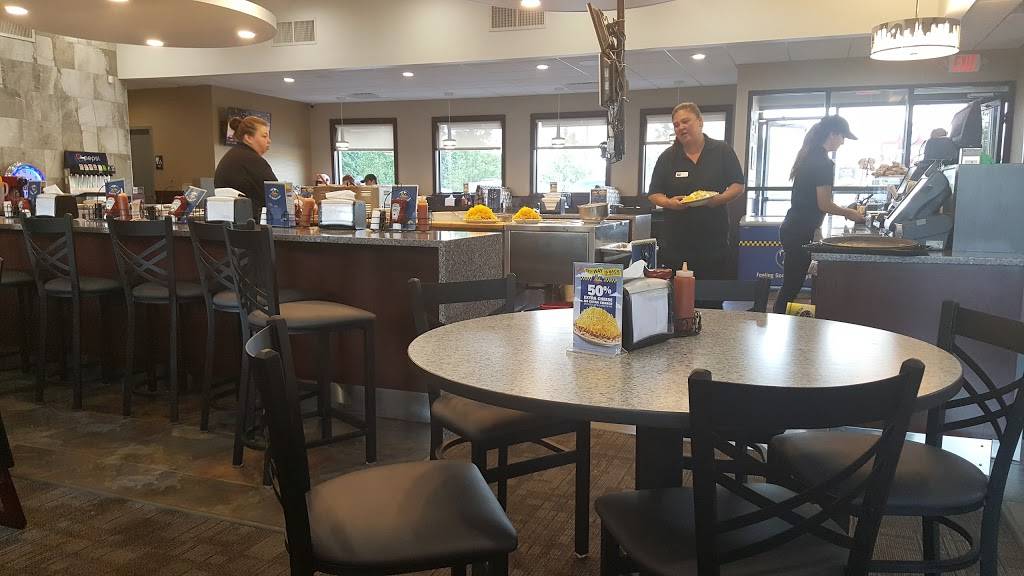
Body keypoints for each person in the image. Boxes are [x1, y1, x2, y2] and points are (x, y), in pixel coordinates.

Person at [772, 115, 866, 314]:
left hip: (793, 227)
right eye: (843, 137)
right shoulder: (823, 163)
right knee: (791, 286)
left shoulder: (810, 156)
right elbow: (824, 204)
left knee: (791, 284)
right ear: (832, 134)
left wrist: (845, 211)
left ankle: (779, 318)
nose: (843, 142)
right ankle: (778, 319)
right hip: (800, 231)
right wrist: (849, 213)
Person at [647, 102, 745, 279]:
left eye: (685, 121)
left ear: (700, 121)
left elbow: (738, 184)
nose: (681, 127)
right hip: (677, 243)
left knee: (712, 292)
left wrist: (719, 199)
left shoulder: (722, 150)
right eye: (676, 124)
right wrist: (669, 203)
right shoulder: (667, 157)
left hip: (714, 241)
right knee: (678, 293)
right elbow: (654, 193)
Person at [214, 116, 276, 214]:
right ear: (248, 138)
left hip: (228, 219)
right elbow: (277, 194)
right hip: (252, 220)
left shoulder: (232, 155)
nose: (269, 141)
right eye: (264, 136)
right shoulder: (254, 161)